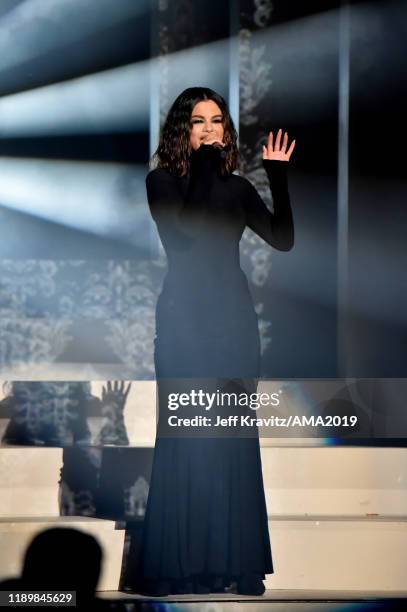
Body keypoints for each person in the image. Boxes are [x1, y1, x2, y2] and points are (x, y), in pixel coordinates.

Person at [136, 87, 295, 596]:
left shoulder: (236, 187)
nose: (209, 129)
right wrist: (203, 165)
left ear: (226, 130)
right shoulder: (162, 182)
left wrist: (277, 177)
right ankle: (173, 565)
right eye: (198, 121)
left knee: (230, 438)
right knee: (185, 436)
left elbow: (282, 238)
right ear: (183, 130)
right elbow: (185, 229)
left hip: (233, 324)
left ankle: (238, 566)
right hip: (185, 323)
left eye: (217, 121)